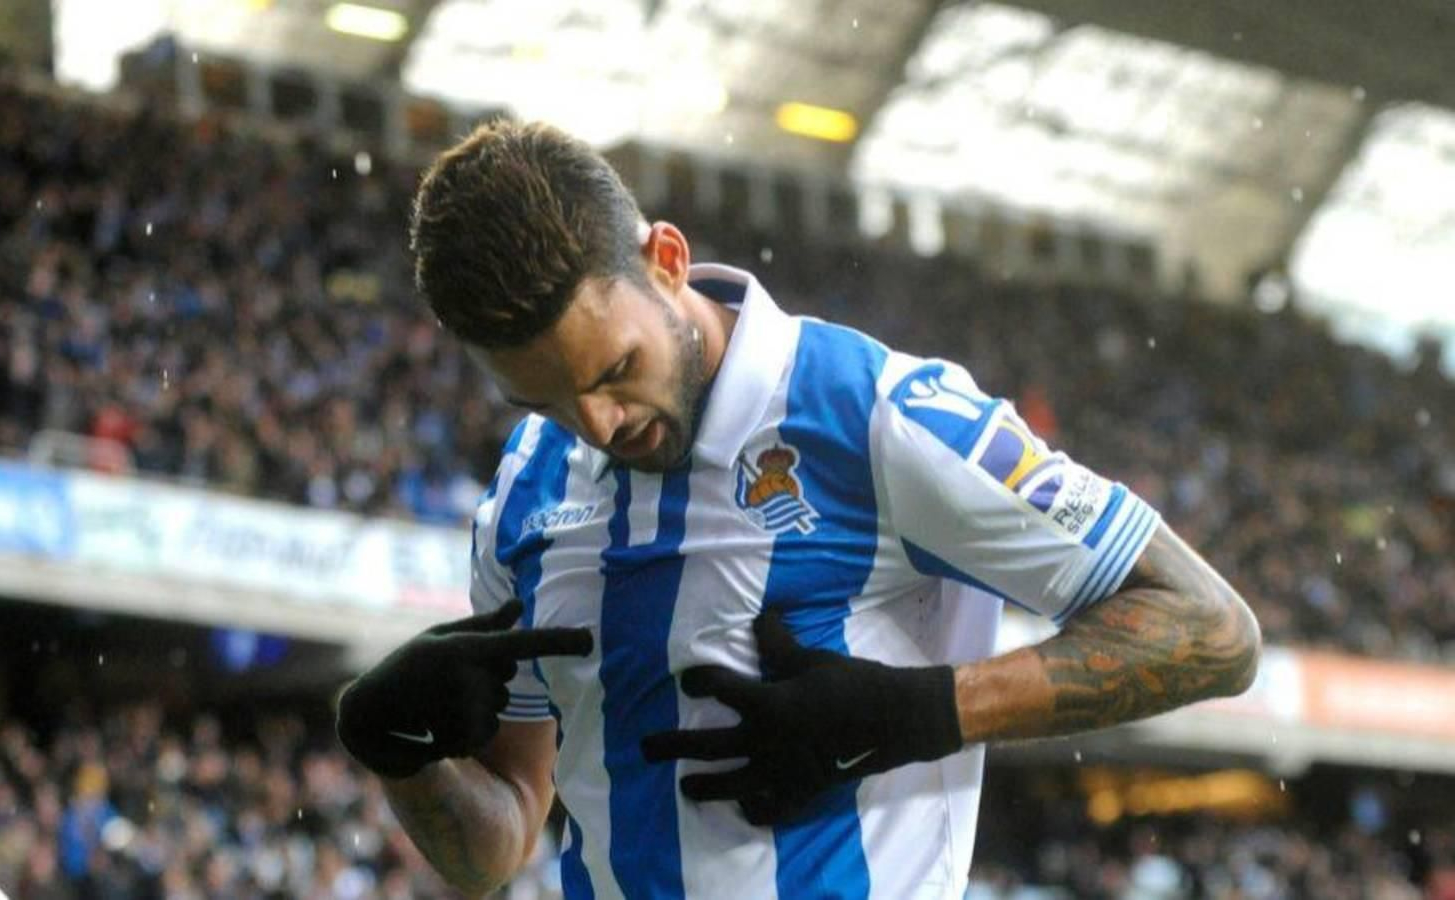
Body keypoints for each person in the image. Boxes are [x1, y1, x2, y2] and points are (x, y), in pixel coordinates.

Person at [335, 120, 1262, 899]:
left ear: (666, 262)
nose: (599, 424)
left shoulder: (878, 414)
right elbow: (493, 851)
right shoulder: (527, 496)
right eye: (541, 402)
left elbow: (1211, 630)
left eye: (615, 371)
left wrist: (924, 711)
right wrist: (398, 754)